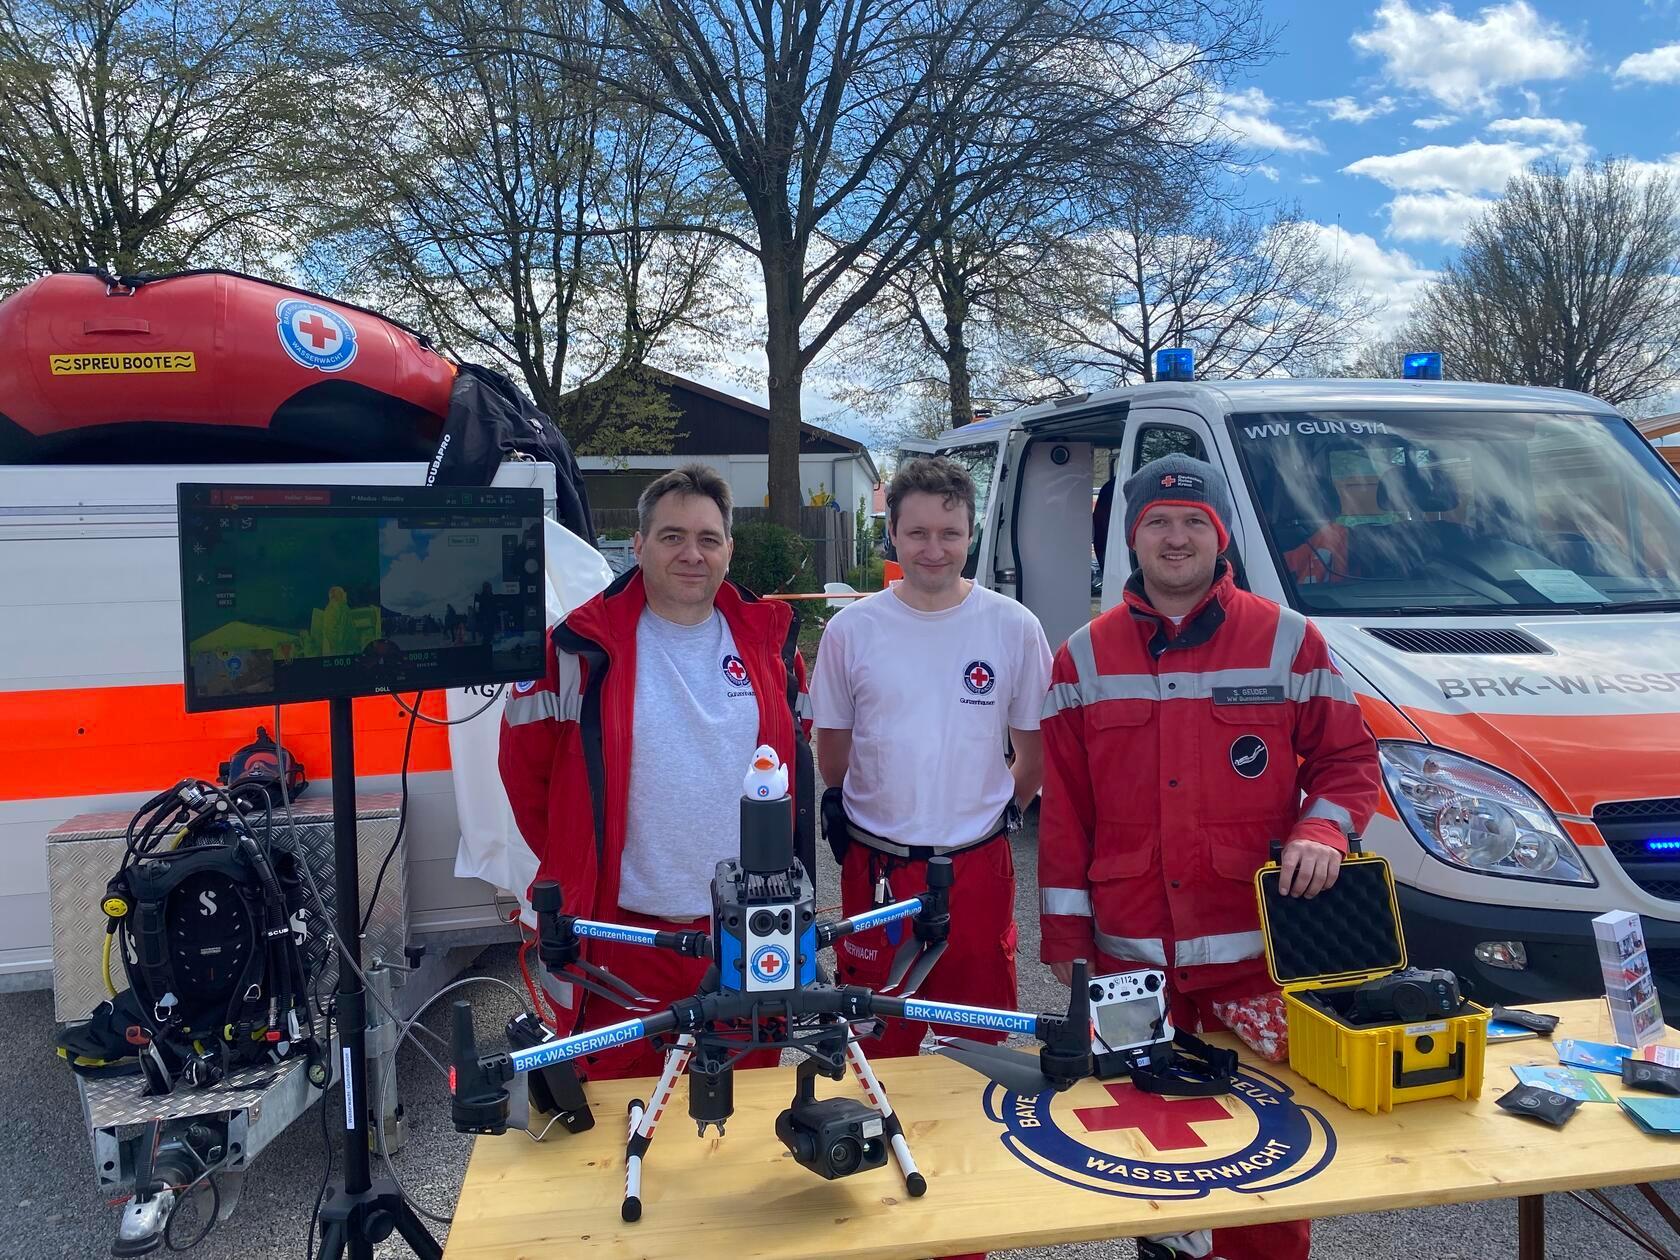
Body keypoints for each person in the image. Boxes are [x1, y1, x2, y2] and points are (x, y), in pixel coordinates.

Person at [1037, 453, 1379, 1260]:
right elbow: (1065, 816)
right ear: (1131, 538)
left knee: (1272, 1164)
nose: (1176, 537)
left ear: (1221, 535)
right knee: (1148, 1156)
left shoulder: (1290, 640)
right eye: (1157, 521)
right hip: (1130, 962)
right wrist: (1067, 942)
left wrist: (1322, 832)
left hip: (1253, 962)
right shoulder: (1082, 657)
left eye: (1195, 521)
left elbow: (1350, 762)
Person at [499, 463, 813, 1079]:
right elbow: (525, 777)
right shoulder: (573, 650)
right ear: (638, 545)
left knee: (745, 1110)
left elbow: (794, 771)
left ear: (729, 550)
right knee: (622, 1113)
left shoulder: (772, 646)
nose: (691, 554)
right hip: (622, 938)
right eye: (672, 536)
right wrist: (580, 862)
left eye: (708, 539)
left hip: (749, 935)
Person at [811, 455, 1052, 1060]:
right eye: (917, 532)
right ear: (892, 533)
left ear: (971, 535)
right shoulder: (852, 630)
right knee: (877, 1042)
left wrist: (990, 814)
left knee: (979, 1044)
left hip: (977, 866)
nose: (934, 549)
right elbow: (832, 753)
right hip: (878, 866)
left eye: (950, 533)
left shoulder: (1014, 627)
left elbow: (1035, 752)